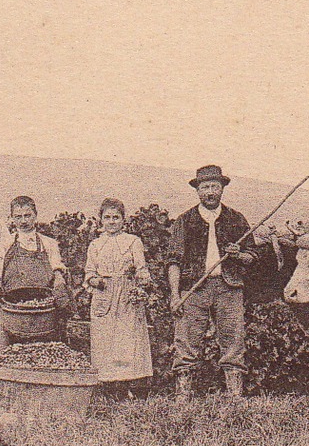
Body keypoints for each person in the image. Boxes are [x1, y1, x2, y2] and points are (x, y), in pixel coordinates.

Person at [166, 164, 258, 397]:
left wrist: (239, 254)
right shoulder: (184, 221)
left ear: (222, 189)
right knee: (186, 341)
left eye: (214, 187)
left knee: (233, 340)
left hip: (229, 288)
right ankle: (183, 397)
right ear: (197, 191)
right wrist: (175, 295)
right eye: (205, 187)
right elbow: (173, 260)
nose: (209, 192)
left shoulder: (236, 219)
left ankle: (235, 397)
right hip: (193, 290)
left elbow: (252, 257)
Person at [83, 198, 154, 396]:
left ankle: (136, 390)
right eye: (107, 218)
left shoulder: (132, 242)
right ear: (100, 220)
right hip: (104, 296)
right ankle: (113, 391)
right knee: (106, 342)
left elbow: (142, 269)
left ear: (124, 220)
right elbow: (89, 272)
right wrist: (95, 281)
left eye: (116, 217)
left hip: (127, 295)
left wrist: (143, 281)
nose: (112, 221)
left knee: (129, 341)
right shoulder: (95, 245)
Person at [0, 195, 68, 350]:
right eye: (18, 217)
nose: (23, 221)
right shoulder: (5, 242)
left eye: (27, 216)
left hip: (42, 307)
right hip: (14, 305)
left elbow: (57, 266)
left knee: (44, 349)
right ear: (11, 218)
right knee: (8, 349)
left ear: (35, 215)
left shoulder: (48, 243)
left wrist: (59, 278)